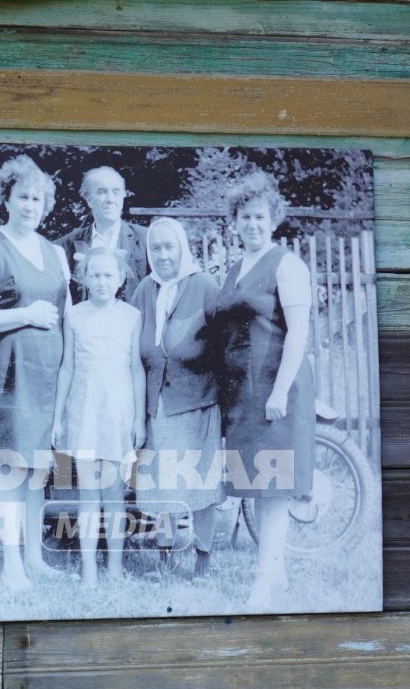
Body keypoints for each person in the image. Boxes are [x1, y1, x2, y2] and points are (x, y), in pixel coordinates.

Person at [0, 154, 71, 592]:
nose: (30, 205)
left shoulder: (56, 253)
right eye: (22, 196)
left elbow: (67, 317)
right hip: (10, 375)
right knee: (11, 470)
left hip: (48, 377)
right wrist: (26, 314)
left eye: (38, 198)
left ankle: (33, 558)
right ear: (6, 197)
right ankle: (11, 566)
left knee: (36, 471)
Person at [218, 169, 316, 612]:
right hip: (243, 393)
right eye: (243, 216)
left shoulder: (287, 264)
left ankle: (265, 578)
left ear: (272, 218)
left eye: (259, 216)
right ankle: (274, 570)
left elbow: (298, 334)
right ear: (234, 222)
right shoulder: (236, 267)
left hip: (275, 390)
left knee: (272, 488)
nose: (252, 224)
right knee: (258, 486)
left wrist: (278, 392)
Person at [128, 217, 230, 573]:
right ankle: (166, 559)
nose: (162, 254)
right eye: (155, 247)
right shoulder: (144, 290)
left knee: (200, 486)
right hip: (157, 406)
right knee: (163, 486)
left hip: (197, 403)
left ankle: (203, 558)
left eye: (169, 246)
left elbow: (225, 347)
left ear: (182, 248)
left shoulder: (204, 286)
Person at [51, 247, 145, 585]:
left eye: (109, 275)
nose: (102, 281)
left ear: (120, 279)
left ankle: (116, 569)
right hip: (85, 411)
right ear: (84, 278)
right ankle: (90, 571)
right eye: (95, 274)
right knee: (89, 495)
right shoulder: (75, 316)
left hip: (118, 412)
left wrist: (138, 421)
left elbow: (136, 369)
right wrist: (60, 416)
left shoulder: (132, 316)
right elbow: (67, 368)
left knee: (115, 496)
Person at [55, 166, 150, 301]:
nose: (110, 199)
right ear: (89, 200)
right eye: (102, 192)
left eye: (116, 192)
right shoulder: (67, 245)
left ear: (123, 197)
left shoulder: (146, 239)